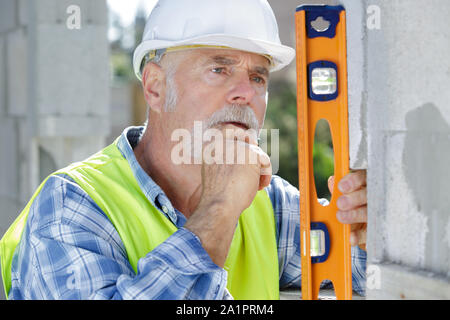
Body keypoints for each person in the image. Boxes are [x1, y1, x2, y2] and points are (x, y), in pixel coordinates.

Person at [0, 0, 367, 300]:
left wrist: (372, 233)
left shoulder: (270, 204)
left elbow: (367, 276)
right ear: (155, 87)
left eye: (258, 77)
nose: (246, 93)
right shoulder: (72, 205)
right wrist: (219, 211)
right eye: (220, 69)